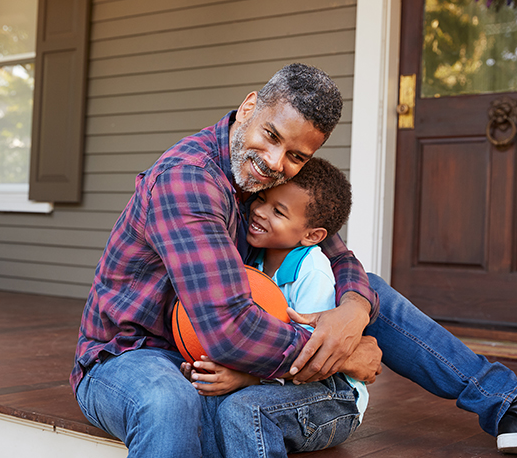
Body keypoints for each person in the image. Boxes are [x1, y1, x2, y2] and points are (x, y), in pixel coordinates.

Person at [71, 63, 517, 457]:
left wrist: (353, 311)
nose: (274, 162)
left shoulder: (262, 178)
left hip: (211, 349)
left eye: (297, 156)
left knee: (369, 290)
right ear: (248, 107)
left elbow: (337, 255)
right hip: (132, 354)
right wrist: (342, 355)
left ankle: (505, 401)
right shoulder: (189, 182)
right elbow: (230, 330)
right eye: (271, 136)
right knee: (169, 401)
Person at [187, 157, 370, 457]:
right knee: (205, 397)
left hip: (333, 394)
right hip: (278, 380)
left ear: (311, 235)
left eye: (278, 211)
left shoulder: (312, 272)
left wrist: (248, 378)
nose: (258, 211)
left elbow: (314, 358)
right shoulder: (254, 262)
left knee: (244, 410)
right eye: (261, 198)